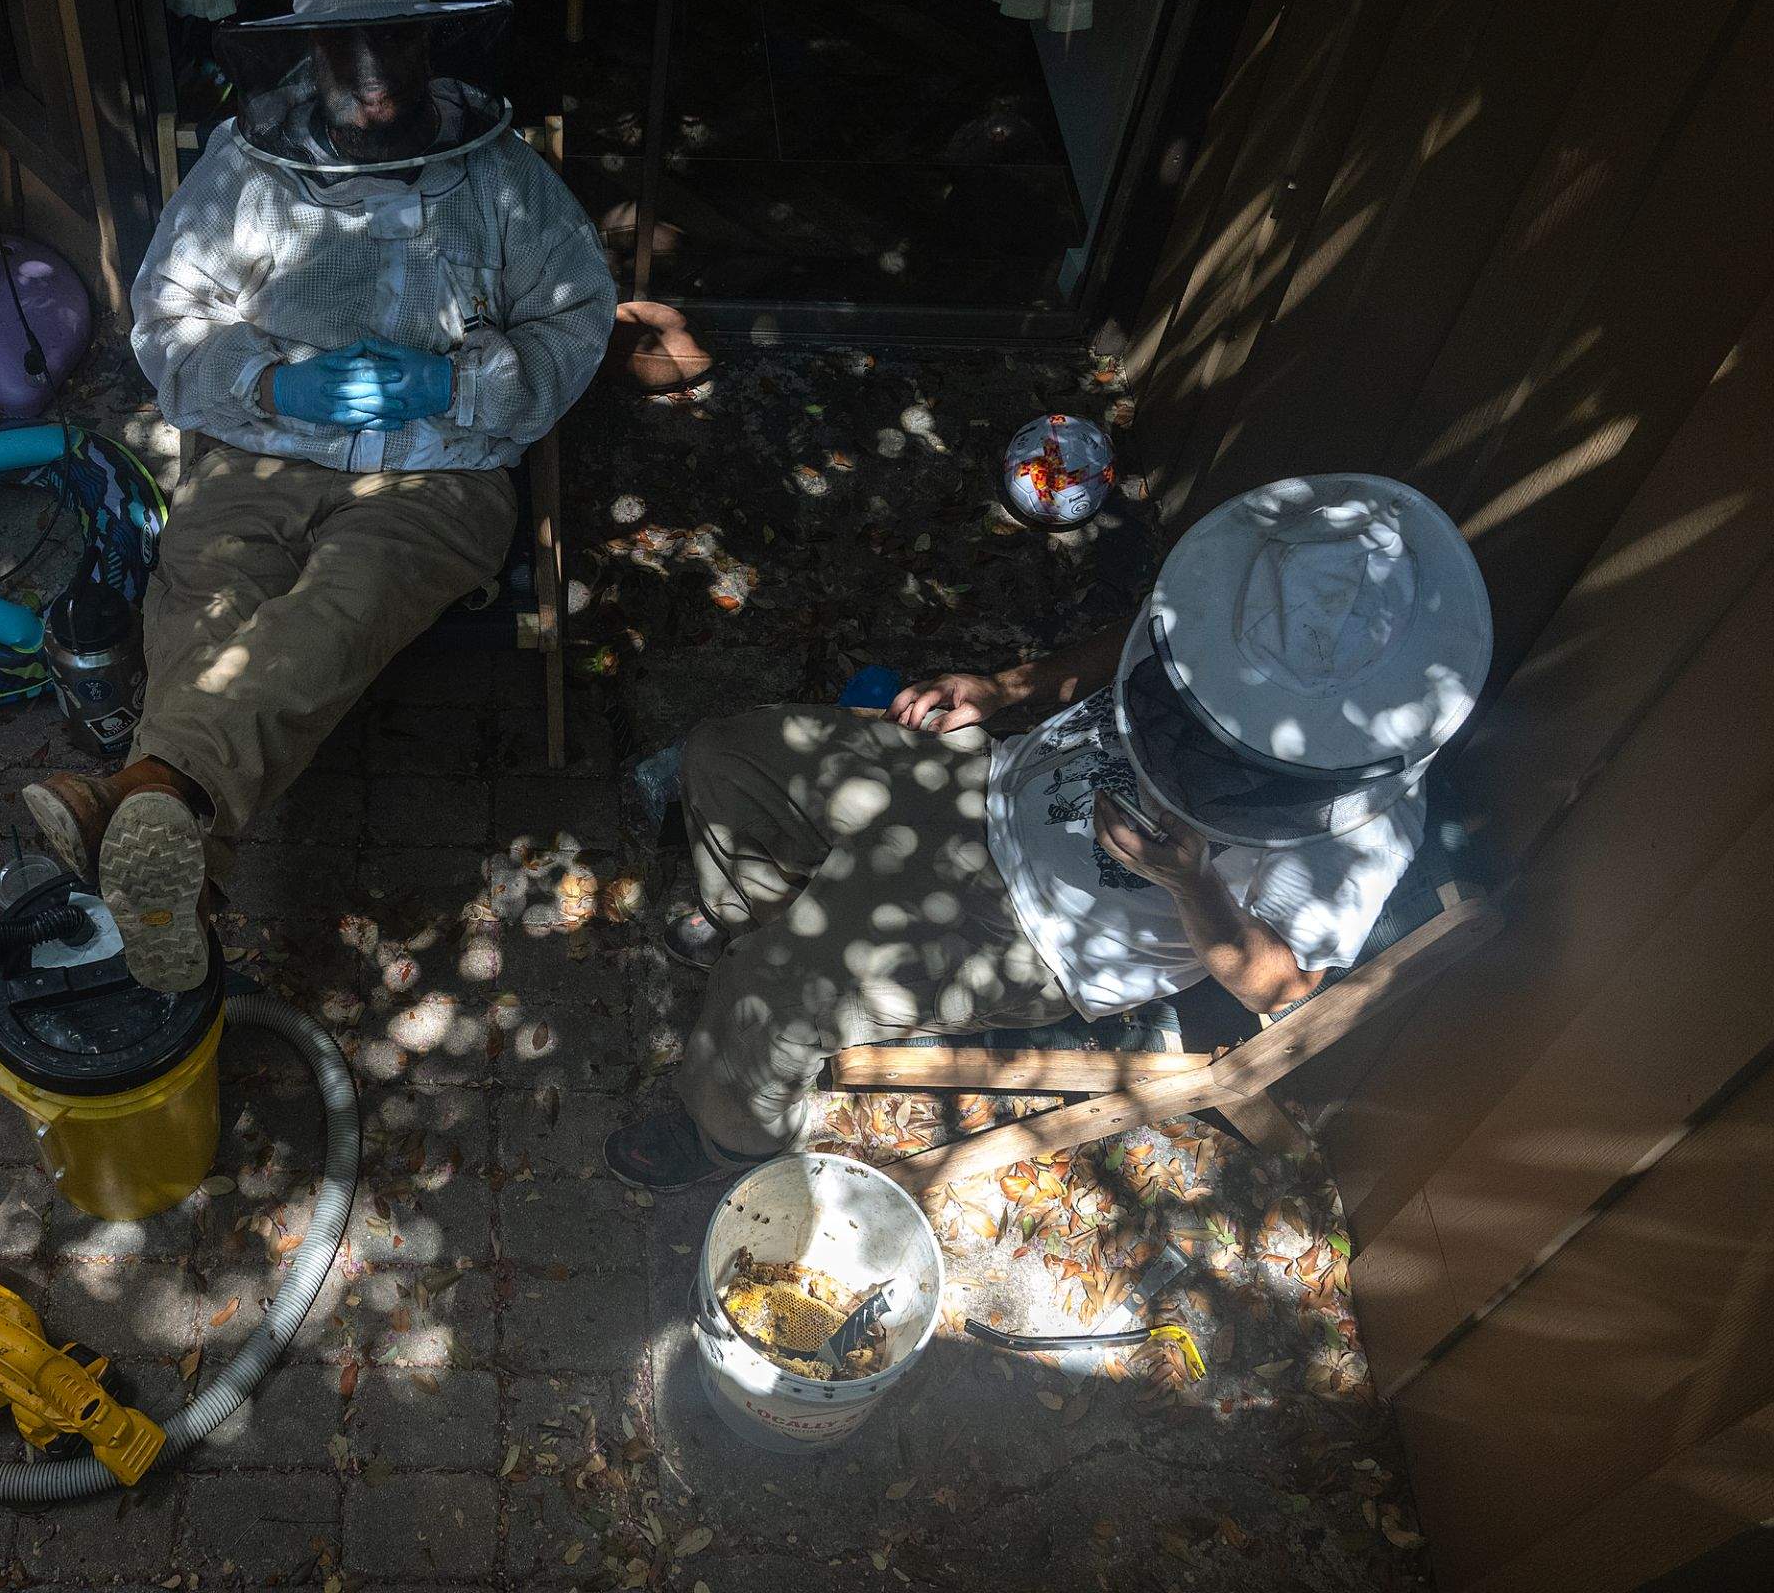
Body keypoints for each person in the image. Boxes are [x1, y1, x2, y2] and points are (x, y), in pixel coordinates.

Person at [606, 474, 1493, 1190]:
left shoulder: (1365, 819)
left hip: (1037, 929)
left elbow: (1280, 987)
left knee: (774, 989)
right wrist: (1006, 689)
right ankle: (772, 930)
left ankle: (731, 1144)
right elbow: (1141, 640)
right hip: (982, 779)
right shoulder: (1233, 610)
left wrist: (1194, 882)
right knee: (727, 757)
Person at [23, 0, 615, 992]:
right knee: (203, 596)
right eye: (352, 62)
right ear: (313, 60)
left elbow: (578, 320)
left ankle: (152, 786)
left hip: (441, 468)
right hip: (261, 448)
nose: (377, 91)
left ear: (428, 48)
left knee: (338, 604)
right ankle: (179, 855)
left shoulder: (500, 178)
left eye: (394, 55)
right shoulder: (245, 172)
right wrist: (273, 385)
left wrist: (457, 386)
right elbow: (166, 321)